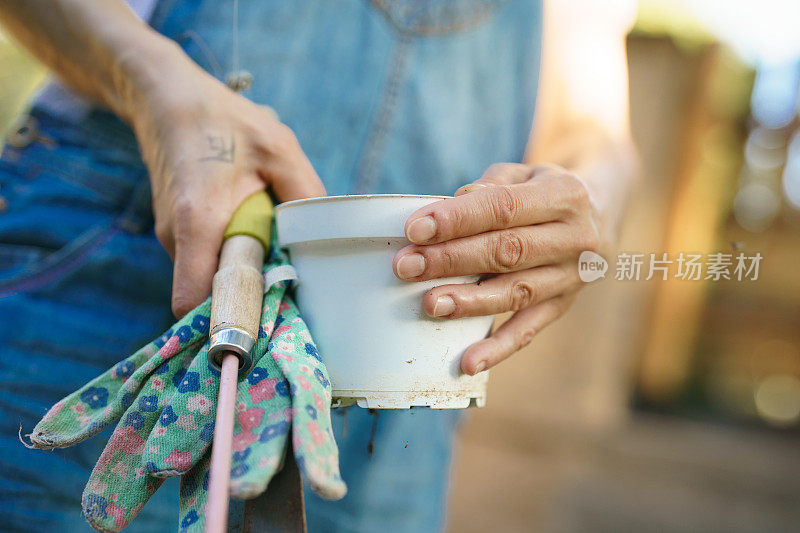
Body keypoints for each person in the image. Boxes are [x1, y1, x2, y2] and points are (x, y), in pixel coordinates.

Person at [0, 0, 636, 531]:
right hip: (107, 285)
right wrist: (160, 89)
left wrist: (586, 200)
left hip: (406, 387)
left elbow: (593, 125)